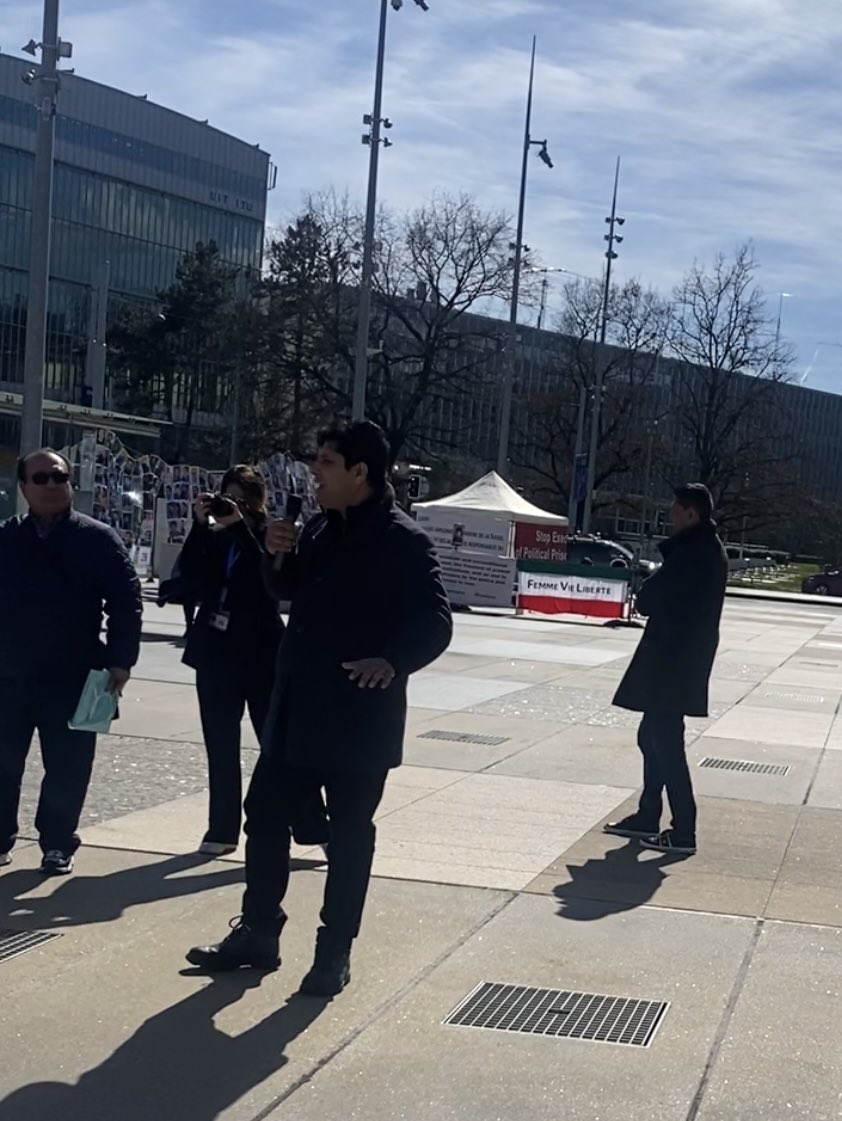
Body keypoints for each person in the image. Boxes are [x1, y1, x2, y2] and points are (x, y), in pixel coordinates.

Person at [187, 421, 453, 995]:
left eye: (327, 463)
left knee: (351, 835)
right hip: (297, 709)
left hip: (360, 716)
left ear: (360, 472)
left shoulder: (404, 541)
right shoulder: (317, 529)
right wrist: (278, 558)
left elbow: (435, 620)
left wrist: (391, 660)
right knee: (263, 817)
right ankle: (259, 932)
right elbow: (287, 594)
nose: (315, 473)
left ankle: (333, 953)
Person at [0, 449, 142, 875]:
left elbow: (126, 601)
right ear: (24, 487)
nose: (51, 485)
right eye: (40, 478)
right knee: (3, 762)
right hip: (9, 673)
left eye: (59, 477)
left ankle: (59, 843)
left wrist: (121, 660)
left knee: (70, 766)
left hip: (82, 674)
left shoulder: (97, 539)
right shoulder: (6, 538)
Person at [179, 465, 328, 857]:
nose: (234, 507)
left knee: (278, 745)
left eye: (243, 500)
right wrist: (200, 524)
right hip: (215, 652)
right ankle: (222, 828)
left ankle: (313, 825)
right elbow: (189, 576)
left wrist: (237, 527)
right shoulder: (214, 537)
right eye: (228, 498)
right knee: (220, 744)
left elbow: (269, 579)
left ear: (258, 502)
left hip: (262, 655)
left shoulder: (267, 535)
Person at [604, 484, 728, 855]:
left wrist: (648, 592)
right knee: (652, 737)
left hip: (675, 659)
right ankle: (648, 814)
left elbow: (651, 596)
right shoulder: (702, 550)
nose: (670, 512)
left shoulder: (693, 553)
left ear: (691, 513)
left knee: (665, 743)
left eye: (676, 506)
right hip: (678, 658)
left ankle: (683, 827)